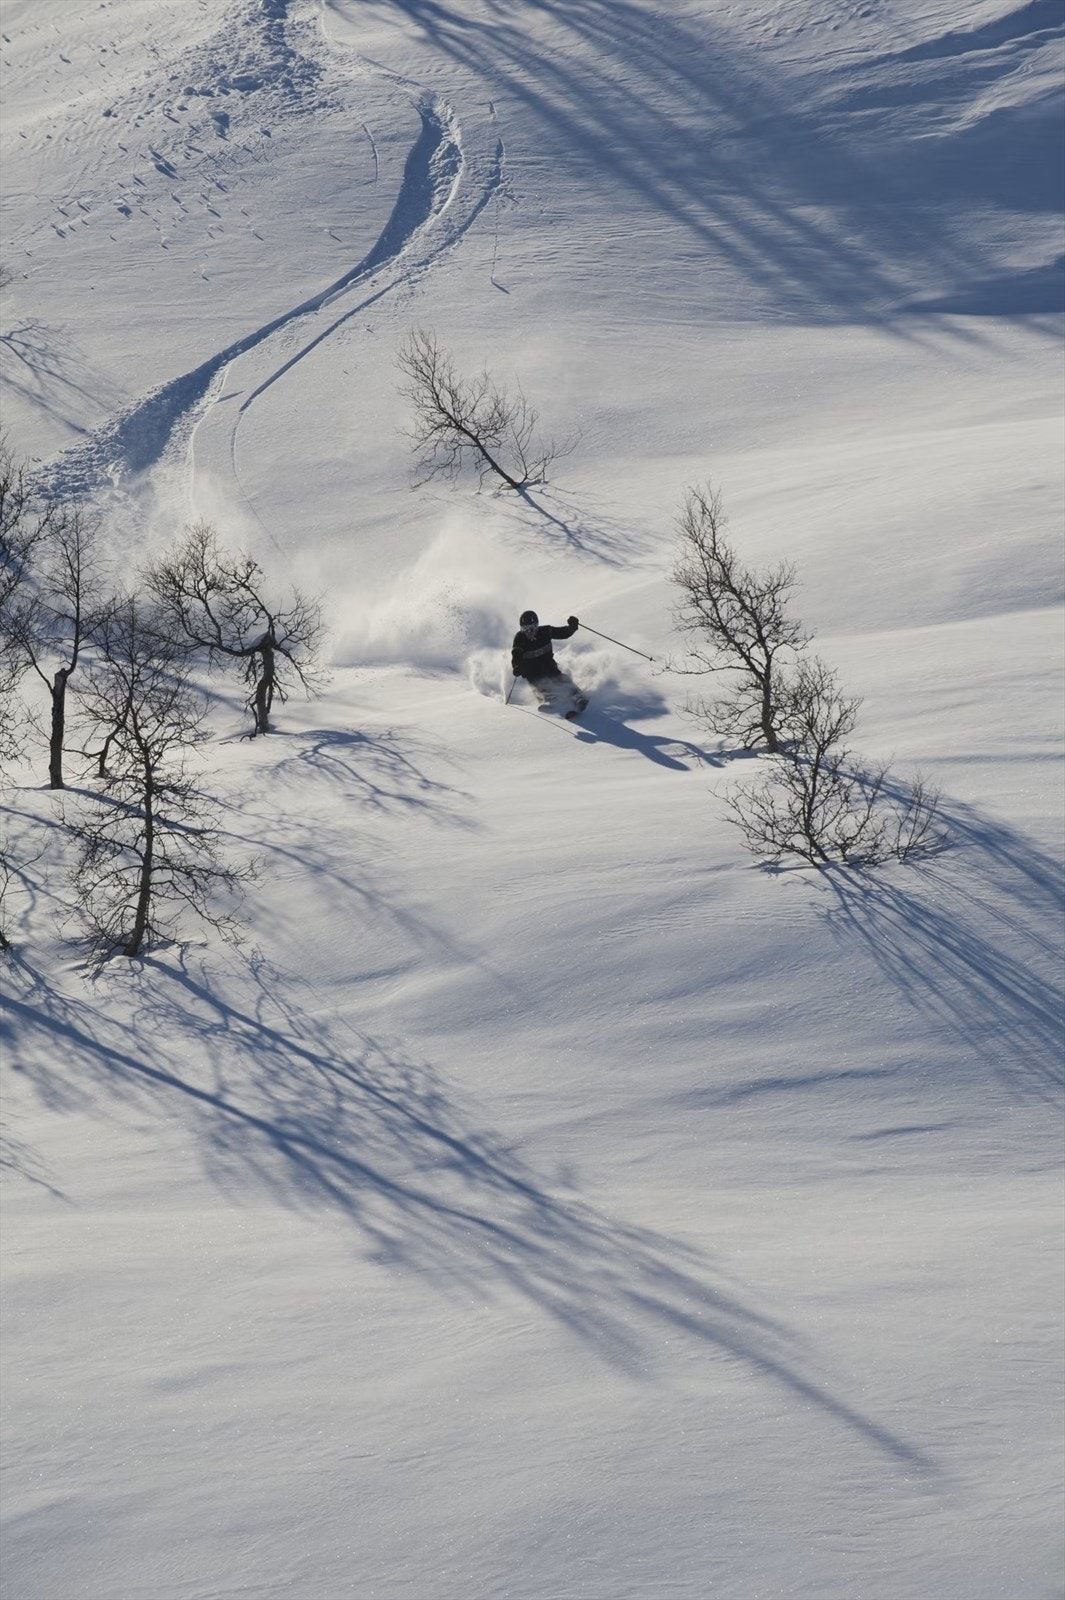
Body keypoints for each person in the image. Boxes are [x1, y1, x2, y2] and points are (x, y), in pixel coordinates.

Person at [510, 610, 588, 718]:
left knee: (561, 680)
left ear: (537, 626)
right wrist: (516, 666)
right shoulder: (520, 638)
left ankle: (577, 697)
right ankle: (552, 703)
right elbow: (516, 655)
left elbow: (562, 633)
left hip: (549, 667)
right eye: (525, 629)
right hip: (532, 673)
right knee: (541, 686)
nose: (529, 632)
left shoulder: (546, 631)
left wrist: (572, 627)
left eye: (531, 628)